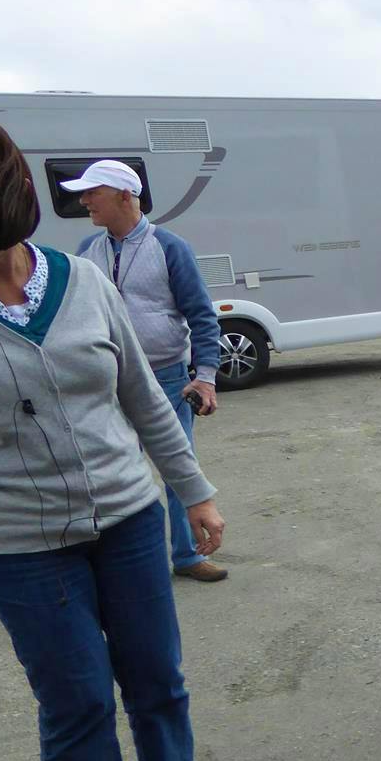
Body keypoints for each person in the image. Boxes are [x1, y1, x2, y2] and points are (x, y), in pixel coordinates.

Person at [0, 118, 255, 761]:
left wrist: (194, 491)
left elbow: (142, 400)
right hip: (15, 544)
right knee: (78, 697)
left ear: (3, 198)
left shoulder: (79, 280)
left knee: (157, 678)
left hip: (128, 518)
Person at [61, 160, 229, 583]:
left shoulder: (169, 247)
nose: (83, 201)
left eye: (91, 192)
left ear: (123, 195)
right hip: (108, 381)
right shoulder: (87, 250)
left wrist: (205, 376)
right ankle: (128, 561)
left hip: (167, 378)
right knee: (113, 472)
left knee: (177, 468)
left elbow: (201, 316)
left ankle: (187, 556)